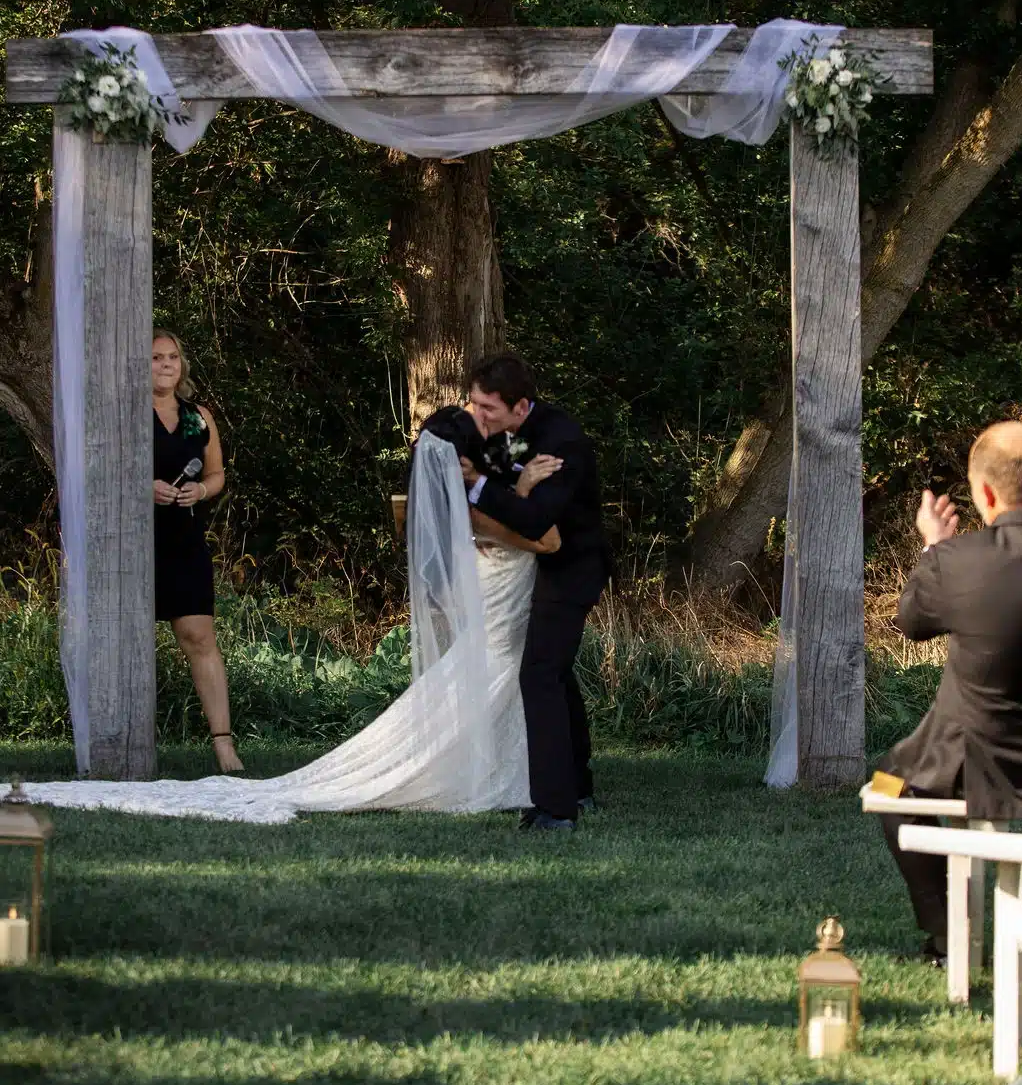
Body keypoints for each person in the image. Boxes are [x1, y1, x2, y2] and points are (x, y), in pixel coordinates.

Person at [26, 405, 558, 820]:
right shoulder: (479, 501)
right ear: (464, 462)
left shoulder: (474, 494)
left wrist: (520, 484)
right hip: (500, 604)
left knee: (492, 679)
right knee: (494, 673)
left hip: (499, 597)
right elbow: (546, 540)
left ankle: (507, 765)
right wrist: (527, 489)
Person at [877, 421, 1022, 964]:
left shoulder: (958, 560)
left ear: (985, 494)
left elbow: (911, 621)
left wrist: (934, 547)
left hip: (975, 760)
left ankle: (949, 939)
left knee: (890, 783)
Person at [460, 352, 612, 832]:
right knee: (557, 674)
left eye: (489, 409)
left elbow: (533, 519)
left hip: (573, 567)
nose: (478, 415)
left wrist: (478, 483)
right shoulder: (508, 435)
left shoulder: (561, 442)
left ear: (521, 407)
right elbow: (511, 493)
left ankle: (555, 808)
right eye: (474, 404)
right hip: (542, 564)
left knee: (541, 673)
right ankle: (577, 787)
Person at [152, 330, 243, 775]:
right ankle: (122, 744)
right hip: (130, 544)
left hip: (183, 540)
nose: (165, 364)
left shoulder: (198, 416)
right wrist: (141, 486)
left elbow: (217, 474)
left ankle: (224, 747)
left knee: (199, 638)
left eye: (172, 357)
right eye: (155, 358)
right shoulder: (125, 412)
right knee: (124, 640)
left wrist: (200, 491)